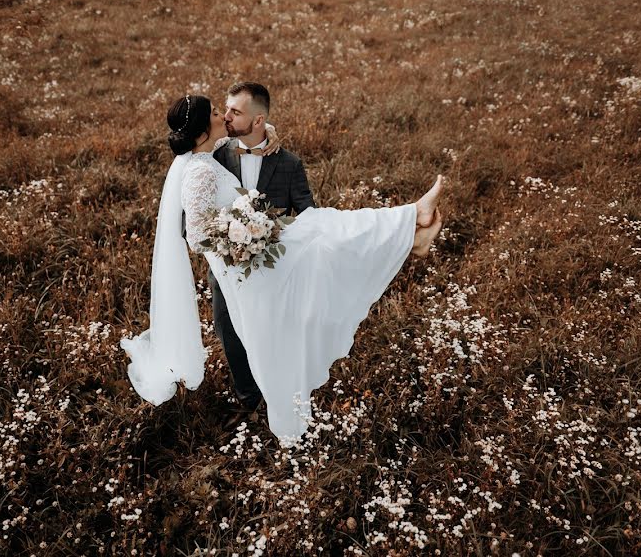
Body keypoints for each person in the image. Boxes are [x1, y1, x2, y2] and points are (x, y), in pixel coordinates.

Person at [121, 93, 444, 447]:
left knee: (326, 229)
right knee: (320, 246)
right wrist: (241, 237)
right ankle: (412, 226)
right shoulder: (198, 172)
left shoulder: (206, 153)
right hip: (246, 263)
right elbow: (197, 236)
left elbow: (244, 135)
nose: (223, 117)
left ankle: (412, 222)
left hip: (260, 245)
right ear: (201, 129)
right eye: (216, 112)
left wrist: (265, 131)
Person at [211, 82, 316, 419]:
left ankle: (282, 391)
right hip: (226, 268)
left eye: (235, 111)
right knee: (229, 331)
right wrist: (222, 242)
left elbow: (308, 215)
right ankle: (248, 399)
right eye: (226, 109)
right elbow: (191, 214)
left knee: (275, 333)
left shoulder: (289, 164)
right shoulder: (215, 155)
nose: (226, 116)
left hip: (274, 270)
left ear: (258, 122)